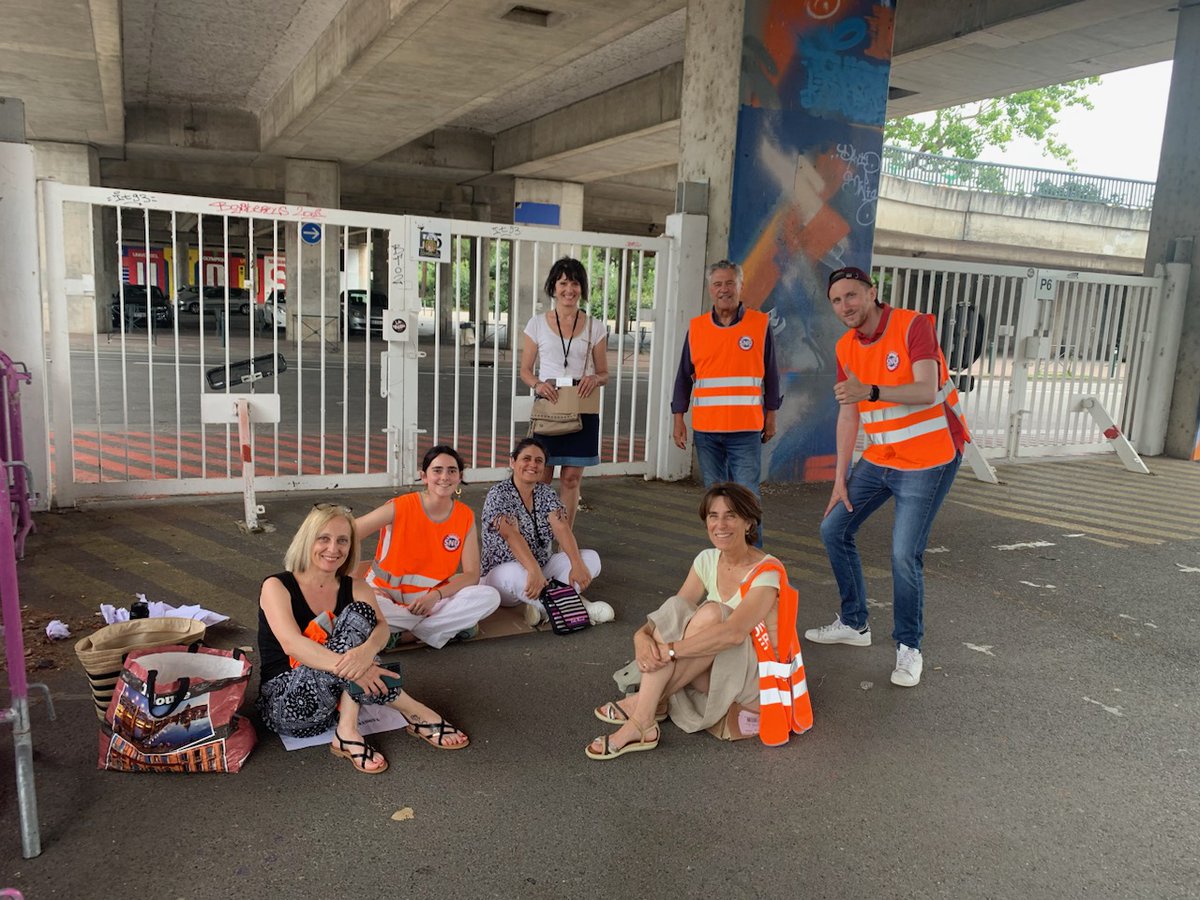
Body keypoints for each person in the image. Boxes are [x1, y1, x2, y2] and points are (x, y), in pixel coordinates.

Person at [807, 265, 971, 688]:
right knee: (833, 528)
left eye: (851, 295)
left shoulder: (913, 326)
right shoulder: (846, 346)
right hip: (881, 457)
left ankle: (909, 647)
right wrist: (840, 478)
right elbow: (848, 414)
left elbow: (925, 389)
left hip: (929, 458)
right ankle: (854, 623)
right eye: (836, 300)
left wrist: (872, 391)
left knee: (903, 554)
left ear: (872, 292)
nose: (845, 306)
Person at [585, 483, 810, 760]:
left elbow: (734, 633)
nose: (720, 525)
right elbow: (671, 615)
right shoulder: (707, 559)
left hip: (753, 679)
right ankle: (649, 711)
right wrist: (640, 637)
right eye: (713, 516)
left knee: (714, 613)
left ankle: (644, 710)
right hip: (711, 666)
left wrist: (670, 651)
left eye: (731, 516)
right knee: (678, 607)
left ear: (749, 522)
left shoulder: (767, 571)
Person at [256, 503, 469, 775]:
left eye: (342, 540)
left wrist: (365, 653)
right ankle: (416, 711)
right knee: (354, 651)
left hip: (333, 706)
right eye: (324, 538)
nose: (333, 548)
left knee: (362, 614)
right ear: (307, 540)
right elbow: (292, 644)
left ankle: (347, 731)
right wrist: (360, 668)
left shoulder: (356, 586)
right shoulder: (277, 586)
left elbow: (381, 628)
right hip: (289, 705)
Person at [671, 260, 781, 537]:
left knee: (747, 498)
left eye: (730, 283)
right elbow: (683, 378)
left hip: (745, 431)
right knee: (716, 500)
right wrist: (678, 418)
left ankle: (752, 556)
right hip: (707, 432)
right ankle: (723, 555)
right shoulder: (697, 328)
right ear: (710, 289)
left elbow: (772, 376)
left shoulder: (759, 325)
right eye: (718, 284)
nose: (724, 289)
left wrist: (771, 416)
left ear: (741, 286)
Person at [356, 445, 501, 649]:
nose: (445, 477)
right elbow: (350, 533)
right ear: (424, 476)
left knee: (489, 597)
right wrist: (356, 583)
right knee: (363, 608)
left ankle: (402, 636)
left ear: (460, 477)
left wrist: (435, 596)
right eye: (437, 470)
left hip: (429, 603)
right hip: (385, 597)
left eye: (452, 471)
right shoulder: (401, 506)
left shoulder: (465, 516)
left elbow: (471, 575)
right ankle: (443, 628)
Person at [480, 436, 612, 626]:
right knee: (515, 572)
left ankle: (540, 606)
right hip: (504, 575)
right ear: (513, 462)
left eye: (539, 460)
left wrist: (576, 564)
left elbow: (561, 527)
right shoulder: (499, 494)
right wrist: (533, 570)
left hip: (543, 570)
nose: (532, 465)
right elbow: (511, 535)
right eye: (526, 459)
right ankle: (579, 607)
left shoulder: (545, 492)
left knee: (591, 558)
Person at [519, 256, 609, 529]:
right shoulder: (536, 324)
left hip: (581, 407)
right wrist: (538, 384)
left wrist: (595, 378)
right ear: (553, 287)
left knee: (571, 479)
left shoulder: (595, 327)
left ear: (582, 288)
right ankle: (539, 535)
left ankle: (564, 538)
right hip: (550, 405)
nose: (569, 290)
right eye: (563, 283)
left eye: (575, 283)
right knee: (541, 477)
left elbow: (604, 373)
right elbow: (525, 370)